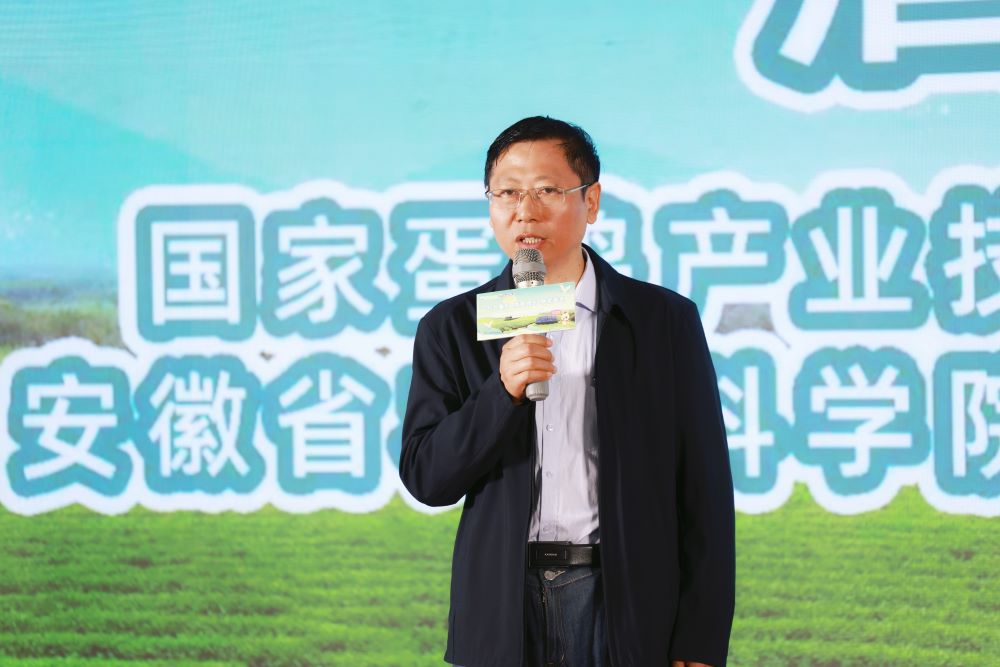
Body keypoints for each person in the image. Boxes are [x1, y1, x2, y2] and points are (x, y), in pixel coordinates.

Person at [400, 116, 735, 667]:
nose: (525, 211)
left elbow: (704, 489)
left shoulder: (662, 321)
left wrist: (700, 638)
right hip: (502, 609)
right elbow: (427, 478)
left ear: (591, 201)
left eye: (547, 191)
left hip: (623, 601)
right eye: (508, 193)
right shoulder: (453, 325)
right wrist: (500, 394)